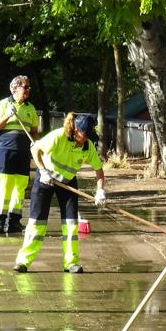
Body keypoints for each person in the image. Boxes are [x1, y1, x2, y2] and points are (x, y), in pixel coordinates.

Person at [13, 113, 105, 274]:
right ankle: (23, 261)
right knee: (37, 223)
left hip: (68, 184)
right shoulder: (59, 136)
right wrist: (43, 171)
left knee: (71, 224)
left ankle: (71, 263)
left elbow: (99, 170)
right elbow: (35, 149)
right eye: (85, 135)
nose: (87, 139)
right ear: (76, 130)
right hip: (45, 180)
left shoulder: (87, 146)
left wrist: (100, 191)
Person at [0, 75, 39, 233]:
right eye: (25, 87)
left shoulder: (30, 108)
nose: (28, 90)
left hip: (24, 152)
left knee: (20, 186)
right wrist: (8, 115)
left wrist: (35, 145)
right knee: (5, 185)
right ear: (14, 88)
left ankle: (14, 221)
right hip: (7, 150)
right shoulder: (3, 104)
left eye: (29, 87)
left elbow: (34, 131)